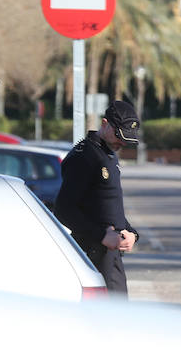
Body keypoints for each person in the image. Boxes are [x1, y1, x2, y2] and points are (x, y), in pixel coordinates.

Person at [55, 101, 141, 297]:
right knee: (105, 319)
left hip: (111, 253)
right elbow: (63, 209)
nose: (123, 143)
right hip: (93, 252)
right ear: (105, 124)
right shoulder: (85, 156)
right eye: (119, 136)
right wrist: (101, 235)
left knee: (118, 318)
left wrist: (131, 233)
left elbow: (109, 205)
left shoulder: (107, 154)